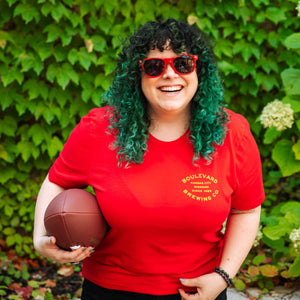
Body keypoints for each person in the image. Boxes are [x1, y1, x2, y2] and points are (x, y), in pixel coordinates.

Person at [33, 18, 265, 300]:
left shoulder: (232, 133)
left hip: (199, 292)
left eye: (182, 64)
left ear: (198, 70)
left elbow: (247, 211)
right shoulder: (99, 129)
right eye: (154, 67)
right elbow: (56, 181)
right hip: (111, 290)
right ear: (137, 76)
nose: (170, 74)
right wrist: (40, 236)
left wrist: (223, 277)